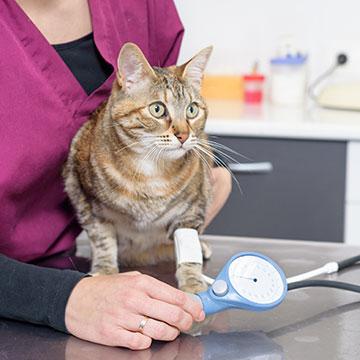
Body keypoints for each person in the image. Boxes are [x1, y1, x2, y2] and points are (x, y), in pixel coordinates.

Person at [0, 0, 232, 349]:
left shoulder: (145, 7)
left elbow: (177, 108)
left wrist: (196, 180)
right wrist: (62, 298)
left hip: (91, 278)